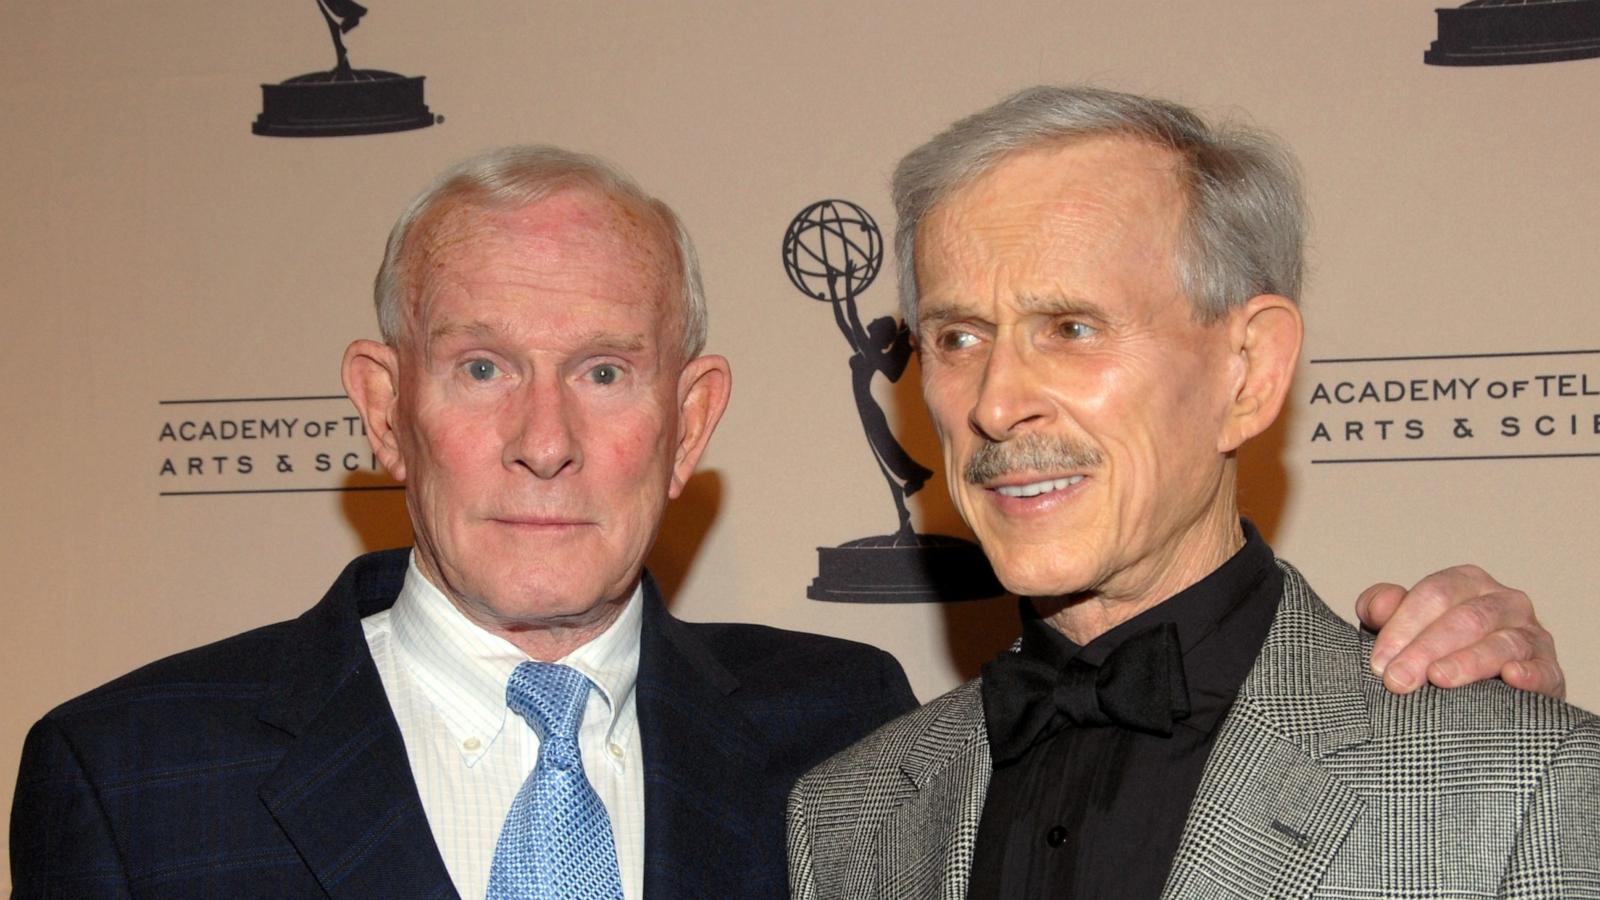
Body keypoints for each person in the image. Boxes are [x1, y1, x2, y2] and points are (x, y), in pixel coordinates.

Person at [8, 145, 1565, 900]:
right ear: (381, 402)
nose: (545, 439)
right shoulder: (131, 779)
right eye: (482, 366)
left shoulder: (840, 737)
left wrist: (1456, 710)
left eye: (606, 371)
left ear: (689, 421)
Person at [786, 86, 1598, 899]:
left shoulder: (1517, 786)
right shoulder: (844, 820)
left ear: (1249, 371)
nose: (995, 405)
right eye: (959, 337)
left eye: (1071, 329)